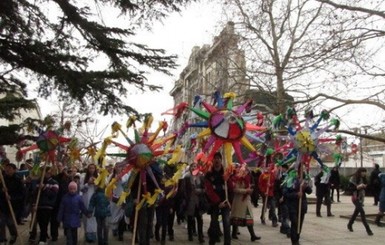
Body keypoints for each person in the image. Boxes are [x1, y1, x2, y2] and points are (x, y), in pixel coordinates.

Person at [204, 152, 231, 245]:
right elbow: (209, 190)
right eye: (215, 158)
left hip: (226, 202)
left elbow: (231, 188)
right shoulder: (208, 174)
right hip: (214, 203)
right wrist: (218, 202)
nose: (217, 160)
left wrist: (228, 180)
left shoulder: (226, 172)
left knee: (227, 223)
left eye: (219, 158)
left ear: (221, 160)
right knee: (214, 223)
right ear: (213, 160)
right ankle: (212, 241)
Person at [282, 165, 312, 245]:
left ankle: (297, 239)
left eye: (304, 169)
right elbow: (285, 193)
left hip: (302, 205)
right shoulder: (290, 179)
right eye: (301, 169)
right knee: (295, 223)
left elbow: (309, 191)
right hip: (292, 206)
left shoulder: (304, 179)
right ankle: (294, 241)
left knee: (299, 224)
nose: (303, 170)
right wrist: (296, 194)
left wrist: (305, 187)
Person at [29, 166, 59, 245]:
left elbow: (53, 194)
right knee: (40, 222)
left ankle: (43, 239)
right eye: (44, 172)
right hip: (38, 205)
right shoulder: (38, 182)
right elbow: (34, 194)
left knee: (44, 222)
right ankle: (44, 235)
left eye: (48, 172)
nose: (46, 174)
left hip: (48, 205)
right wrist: (34, 204)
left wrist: (45, 188)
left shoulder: (54, 182)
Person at [230, 166, 261, 242]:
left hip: (246, 201)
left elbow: (249, 187)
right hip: (239, 201)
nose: (246, 172)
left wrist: (250, 190)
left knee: (249, 217)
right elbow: (235, 189)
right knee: (236, 217)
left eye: (246, 171)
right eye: (244, 171)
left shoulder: (247, 179)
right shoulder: (236, 179)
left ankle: (252, 235)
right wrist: (245, 190)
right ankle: (234, 233)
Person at [0, 163, 25, 244]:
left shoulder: (18, 180)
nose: (7, 170)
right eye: (6, 168)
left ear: (14, 170)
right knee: (1, 222)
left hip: (14, 206)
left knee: (10, 222)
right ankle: (2, 239)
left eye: (10, 168)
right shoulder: (2, 179)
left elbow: (22, 194)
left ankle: (14, 234)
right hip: (3, 205)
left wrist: (12, 198)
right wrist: (2, 191)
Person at [183, 162, 206, 243]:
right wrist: (186, 198)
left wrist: (200, 191)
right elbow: (184, 190)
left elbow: (205, 188)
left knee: (200, 219)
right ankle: (190, 235)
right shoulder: (187, 177)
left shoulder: (201, 176)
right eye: (192, 166)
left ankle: (200, 236)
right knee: (190, 219)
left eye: (195, 166)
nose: (193, 167)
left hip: (199, 201)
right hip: (190, 201)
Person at [347, 167, 373, 236]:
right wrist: (357, 187)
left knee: (356, 212)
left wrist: (365, 186)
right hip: (355, 197)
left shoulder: (364, 179)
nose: (364, 173)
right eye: (363, 172)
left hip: (361, 198)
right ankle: (368, 229)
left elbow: (368, 187)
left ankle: (350, 224)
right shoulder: (353, 178)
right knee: (362, 211)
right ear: (359, 172)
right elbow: (349, 189)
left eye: (365, 172)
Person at [80, 163, 99, 243]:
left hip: (95, 200)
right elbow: (81, 189)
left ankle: (94, 235)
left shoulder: (98, 177)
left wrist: (96, 184)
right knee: (87, 217)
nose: (91, 170)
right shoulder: (83, 177)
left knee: (94, 217)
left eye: (93, 168)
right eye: (90, 168)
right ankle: (87, 234)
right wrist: (88, 183)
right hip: (86, 199)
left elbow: (101, 189)